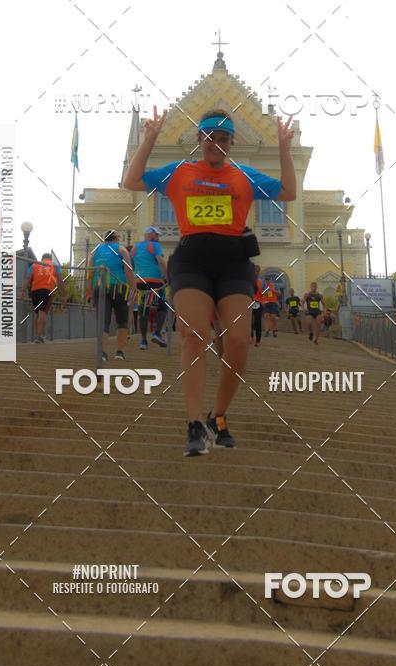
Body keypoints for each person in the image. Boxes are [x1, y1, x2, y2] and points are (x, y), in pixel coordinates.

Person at [123, 105, 296, 456]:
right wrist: (149, 140)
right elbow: (132, 181)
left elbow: (288, 192)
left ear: (231, 142)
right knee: (194, 334)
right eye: (209, 138)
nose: (216, 144)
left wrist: (283, 148)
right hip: (191, 262)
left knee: (237, 341)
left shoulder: (244, 175)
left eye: (223, 139)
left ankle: (218, 416)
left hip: (233, 263)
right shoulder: (179, 172)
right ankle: (193, 424)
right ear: (199, 139)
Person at [86, 230, 136, 361]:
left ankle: (103, 353)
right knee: (122, 320)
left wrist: (89, 292)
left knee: (103, 321)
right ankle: (119, 352)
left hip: (100, 287)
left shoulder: (95, 252)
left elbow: (89, 274)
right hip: (119, 287)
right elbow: (129, 271)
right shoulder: (121, 249)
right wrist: (134, 289)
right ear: (115, 238)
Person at [130, 226, 168, 350]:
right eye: (156, 235)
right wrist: (168, 277)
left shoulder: (135, 248)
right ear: (150, 235)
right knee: (162, 308)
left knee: (143, 310)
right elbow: (161, 262)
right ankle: (157, 333)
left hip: (139, 282)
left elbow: (131, 266)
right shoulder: (154, 245)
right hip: (155, 281)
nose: (158, 238)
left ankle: (143, 341)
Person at [21, 253, 67, 342]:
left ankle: (39, 335)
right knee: (42, 313)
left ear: (42, 258)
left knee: (37, 313)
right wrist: (63, 295)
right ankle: (38, 337)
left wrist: (23, 290)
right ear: (50, 259)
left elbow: (28, 277)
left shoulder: (34, 264)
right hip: (46, 290)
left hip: (34, 291)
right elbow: (60, 281)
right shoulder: (54, 265)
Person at [303, 282, 325, 346]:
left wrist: (324, 311)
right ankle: (311, 332)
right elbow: (303, 302)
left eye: (315, 286)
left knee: (319, 324)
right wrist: (303, 308)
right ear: (310, 287)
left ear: (316, 287)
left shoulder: (319, 295)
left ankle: (316, 339)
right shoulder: (307, 294)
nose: (314, 288)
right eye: (312, 286)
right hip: (310, 311)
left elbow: (323, 304)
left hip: (317, 311)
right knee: (308, 322)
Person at [250, 264, 264, 347]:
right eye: (255, 270)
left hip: (258, 303)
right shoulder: (249, 280)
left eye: (257, 271)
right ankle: (251, 337)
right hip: (250, 302)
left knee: (257, 322)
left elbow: (264, 293)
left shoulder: (261, 282)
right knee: (249, 321)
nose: (256, 272)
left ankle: (258, 340)